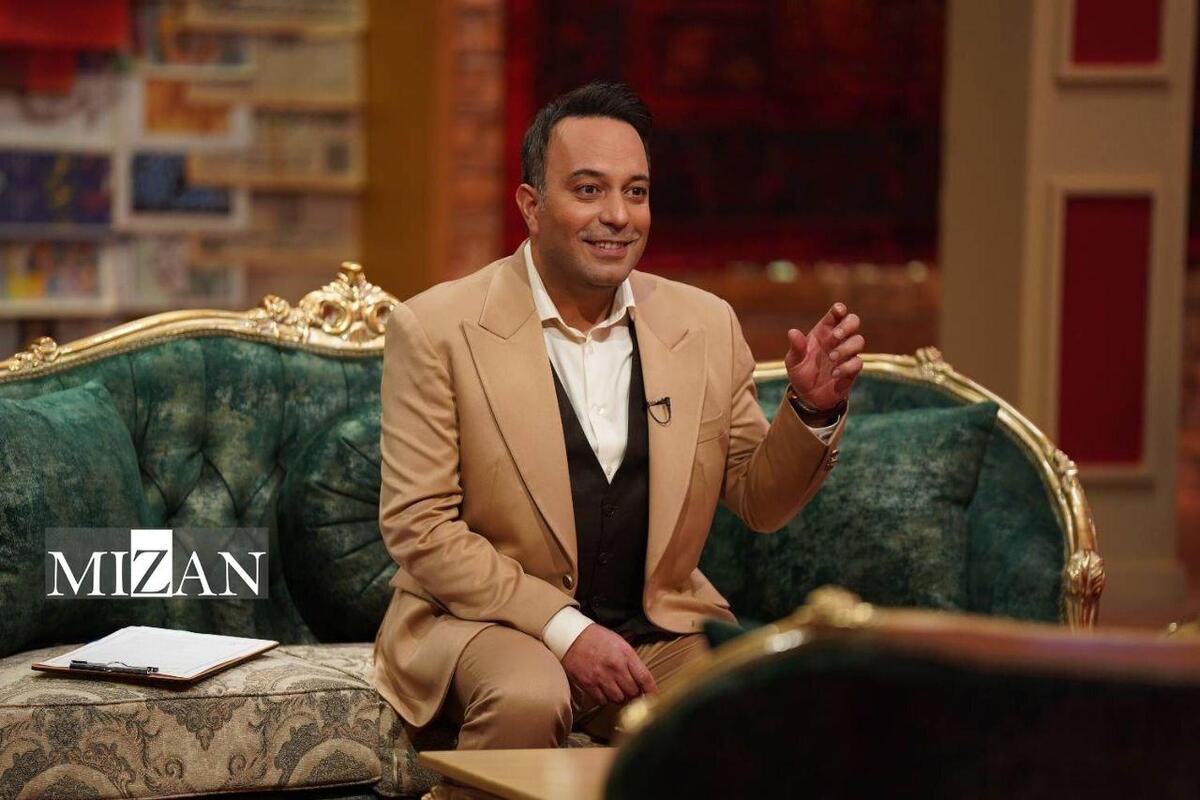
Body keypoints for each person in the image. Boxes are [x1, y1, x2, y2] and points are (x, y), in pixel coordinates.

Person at [373, 81, 865, 750]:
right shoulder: (436, 328)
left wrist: (811, 409)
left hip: (655, 628)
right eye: (588, 190)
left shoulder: (703, 325)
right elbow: (421, 526)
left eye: (636, 192)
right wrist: (567, 631)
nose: (618, 216)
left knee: (753, 700)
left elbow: (759, 499)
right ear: (531, 206)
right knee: (529, 696)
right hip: (486, 622)